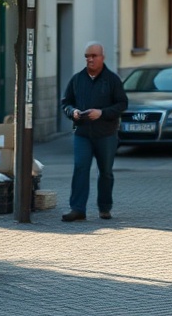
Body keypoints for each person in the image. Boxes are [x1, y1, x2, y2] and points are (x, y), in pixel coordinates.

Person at [60, 42, 128, 222]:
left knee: (105, 171)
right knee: (80, 168)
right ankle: (77, 209)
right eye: (87, 56)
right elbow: (66, 103)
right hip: (82, 134)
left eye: (93, 56)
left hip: (106, 134)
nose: (89, 59)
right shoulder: (77, 79)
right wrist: (72, 112)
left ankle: (105, 208)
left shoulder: (112, 80)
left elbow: (122, 104)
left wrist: (102, 113)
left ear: (102, 57)